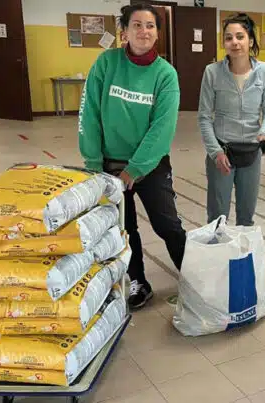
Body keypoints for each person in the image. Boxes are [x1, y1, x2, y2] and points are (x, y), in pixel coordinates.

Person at [78, 4, 186, 309]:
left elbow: (162, 128)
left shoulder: (165, 74)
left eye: (150, 26)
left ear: (157, 34)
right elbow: (91, 114)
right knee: (124, 229)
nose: (144, 31)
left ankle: (194, 274)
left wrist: (135, 169)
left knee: (167, 225)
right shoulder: (106, 63)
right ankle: (138, 280)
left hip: (150, 166)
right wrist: (94, 165)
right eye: (136, 25)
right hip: (109, 166)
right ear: (124, 32)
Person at [198, 13, 265, 226]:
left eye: (240, 36)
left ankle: (242, 258)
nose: (234, 42)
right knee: (217, 216)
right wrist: (215, 153)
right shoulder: (212, 72)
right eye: (229, 37)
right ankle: (218, 256)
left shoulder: (264, 71)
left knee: (246, 216)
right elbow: (204, 117)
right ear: (224, 42)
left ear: (250, 40)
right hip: (222, 151)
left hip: (251, 151)